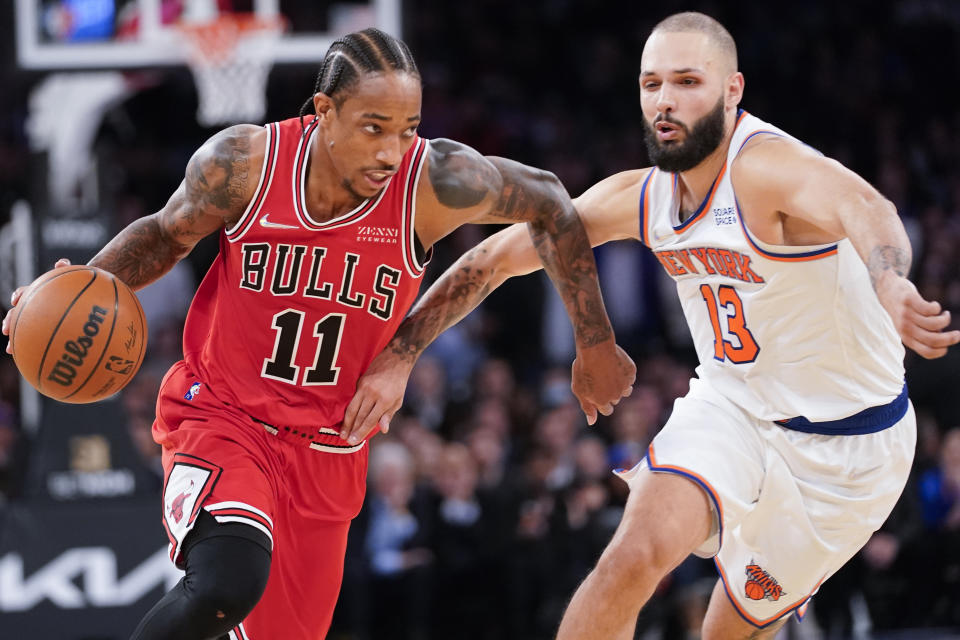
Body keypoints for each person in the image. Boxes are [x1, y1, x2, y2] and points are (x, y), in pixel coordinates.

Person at [1, 28, 635, 640]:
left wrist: (592, 341)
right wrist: (83, 280)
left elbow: (551, 201)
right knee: (226, 584)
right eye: (373, 128)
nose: (392, 151)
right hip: (224, 418)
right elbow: (166, 234)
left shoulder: (431, 183)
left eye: (407, 129)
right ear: (325, 112)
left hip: (330, 447)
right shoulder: (245, 165)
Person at [342, 13, 960, 640]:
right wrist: (401, 355)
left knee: (724, 632)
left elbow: (865, 206)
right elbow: (498, 257)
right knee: (628, 559)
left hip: (847, 448)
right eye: (651, 83)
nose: (665, 100)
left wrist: (889, 280)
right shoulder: (645, 196)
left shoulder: (765, 169)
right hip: (734, 409)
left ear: (732, 90)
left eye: (688, 81)